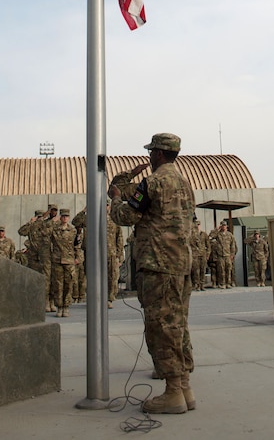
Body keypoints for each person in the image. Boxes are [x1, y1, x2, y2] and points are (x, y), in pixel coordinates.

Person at [109, 133, 196, 415]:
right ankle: (184, 388)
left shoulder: (153, 182)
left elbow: (125, 217)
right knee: (178, 325)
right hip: (181, 265)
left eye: (150, 152)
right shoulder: (185, 184)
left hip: (158, 265)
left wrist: (115, 198)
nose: (148, 157)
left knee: (161, 327)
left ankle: (172, 393)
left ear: (158, 154)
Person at [50, 209, 79, 317]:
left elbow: (77, 245)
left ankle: (66, 306)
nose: (65, 218)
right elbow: (44, 233)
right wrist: (52, 221)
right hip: (57, 259)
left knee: (68, 284)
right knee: (58, 285)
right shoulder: (54, 229)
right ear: (60, 217)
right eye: (63, 216)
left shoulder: (73, 230)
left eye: (67, 216)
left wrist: (77, 257)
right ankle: (59, 307)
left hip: (69, 260)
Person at [215, 220, 236, 289]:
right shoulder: (218, 234)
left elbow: (233, 245)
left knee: (228, 269)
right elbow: (211, 236)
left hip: (228, 255)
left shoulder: (230, 235)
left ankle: (228, 283)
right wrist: (216, 229)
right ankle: (222, 283)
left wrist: (232, 254)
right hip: (220, 255)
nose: (223, 227)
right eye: (222, 226)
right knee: (221, 270)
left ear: (226, 226)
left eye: (224, 225)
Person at [190, 219, 210, 291]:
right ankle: (197, 285)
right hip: (195, 255)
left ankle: (202, 284)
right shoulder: (191, 235)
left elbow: (208, 245)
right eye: (196, 225)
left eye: (198, 225)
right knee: (196, 270)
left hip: (203, 254)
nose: (197, 226)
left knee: (203, 269)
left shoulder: (204, 234)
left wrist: (207, 254)